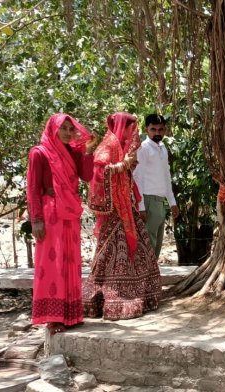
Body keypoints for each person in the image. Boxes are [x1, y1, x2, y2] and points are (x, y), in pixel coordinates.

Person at [83, 112, 164, 320]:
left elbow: (127, 173)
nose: (133, 132)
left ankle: (142, 294)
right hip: (115, 212)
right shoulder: (108, 145)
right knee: (114, 252)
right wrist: (122, 166)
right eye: (131, 128)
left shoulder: (124, 148)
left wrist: (128, 167)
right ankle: (112, 298)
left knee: (140, 249)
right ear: (123, 127)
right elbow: (98, 172)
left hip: (127, 206)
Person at [27, 113, 95, 335]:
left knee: (70, 261)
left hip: (70, 211)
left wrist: (88, 150)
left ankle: (71, 314)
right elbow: (33, 188)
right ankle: (53, 318)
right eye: (63, 128)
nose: (67, 132)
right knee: (51, 265)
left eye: (70, 128)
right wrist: (36, 219)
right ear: (52, 129)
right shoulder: (39, 153)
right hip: (50, 212)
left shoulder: (73, 152)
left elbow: (86, 175)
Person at [133, 114, 180, 260]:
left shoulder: (162, 148)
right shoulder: (144, 149)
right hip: (147, 200)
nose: (157, 133)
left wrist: (172, 202)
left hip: (160, 202)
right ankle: (145, 279)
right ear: (147, 129)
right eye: (153, 129)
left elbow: (166, 176)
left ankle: (151, 278)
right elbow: (137, 177)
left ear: (165, 130)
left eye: (160, 130)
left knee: (157, 244)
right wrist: (141, 206)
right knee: (148, 243)